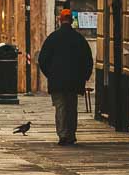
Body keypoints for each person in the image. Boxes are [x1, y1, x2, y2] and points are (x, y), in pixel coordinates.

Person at [38, 8, 94, 145]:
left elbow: (42, 59)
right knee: (71, 108)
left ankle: (62, 134)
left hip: (57, 81)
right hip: (74, 81)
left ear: (60, 20)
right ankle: (71, 134)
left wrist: (50, 74)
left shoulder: (53, 38)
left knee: (61, 107)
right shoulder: (79, 39)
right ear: (72, 20)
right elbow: (88, 59)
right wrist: (85, 76)